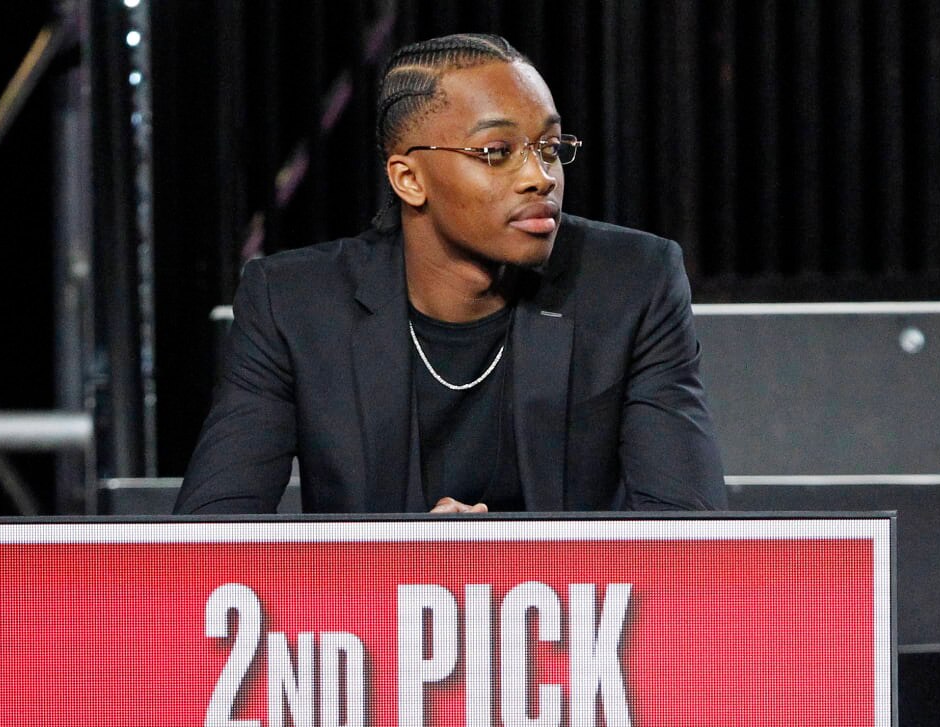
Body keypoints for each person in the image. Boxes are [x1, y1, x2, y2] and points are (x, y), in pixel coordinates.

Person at [175, 33, 726, 516]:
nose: (540, 177)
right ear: (409, 179)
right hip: (368, 628)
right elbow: (212, 536)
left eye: (550, 148)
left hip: (570, 626)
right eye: (497, 151)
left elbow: (686, 536)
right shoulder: (293, 304)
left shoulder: (633, 283)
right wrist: (418, 563)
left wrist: (487, 567)